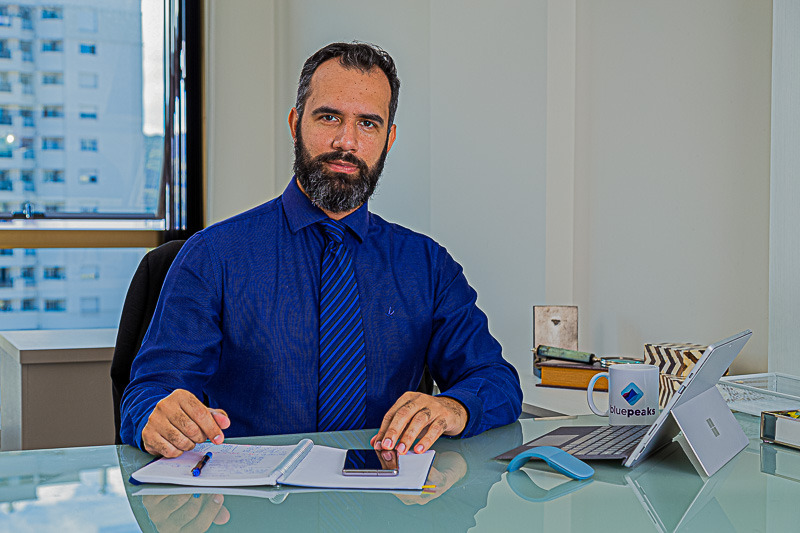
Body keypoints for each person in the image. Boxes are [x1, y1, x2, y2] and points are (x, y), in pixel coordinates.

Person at [121, 42, 522, 458]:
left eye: (368, 124)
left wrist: (453, 407)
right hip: (250, 506)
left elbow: (496, 380)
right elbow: (149, 391)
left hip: (384, 505)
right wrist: (156, 415)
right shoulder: (212, 256)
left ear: (389, 138)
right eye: (329, 117)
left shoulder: (428, 266)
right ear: (296, 124)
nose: (346, 142)